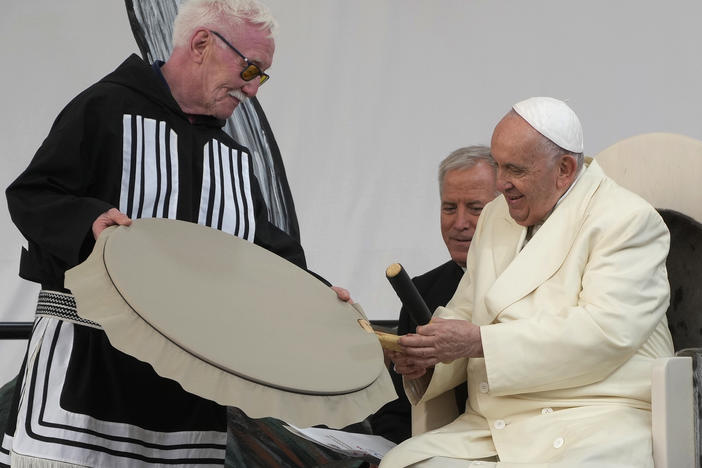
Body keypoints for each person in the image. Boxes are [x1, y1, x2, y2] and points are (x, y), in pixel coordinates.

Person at [0, 1, 347, 466]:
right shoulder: (103, 110)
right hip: (88, 378)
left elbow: (271, 257)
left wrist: (325, 303)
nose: (252, 88)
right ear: (202, 43)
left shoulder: (236, 162)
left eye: (262, 75)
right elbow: (34, 194)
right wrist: (89, 221)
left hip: (188, 401)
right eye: (248, 68)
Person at [381, 97, 674, 467]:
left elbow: (605, 331)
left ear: (564, 169)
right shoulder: (495, 216)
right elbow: (466, 311)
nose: (501, 184)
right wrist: (428, 356)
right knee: (402, 463)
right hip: (494, 423)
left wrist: (478, 341)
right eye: (498, 166)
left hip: (594, 417)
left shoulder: (625, 220)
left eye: (515, 170)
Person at [370, 146, 498, 443]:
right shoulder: (422, 291)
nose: (460, 223)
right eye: (449, 208)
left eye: (476, 208)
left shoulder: (529, 281)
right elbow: (398, 408)